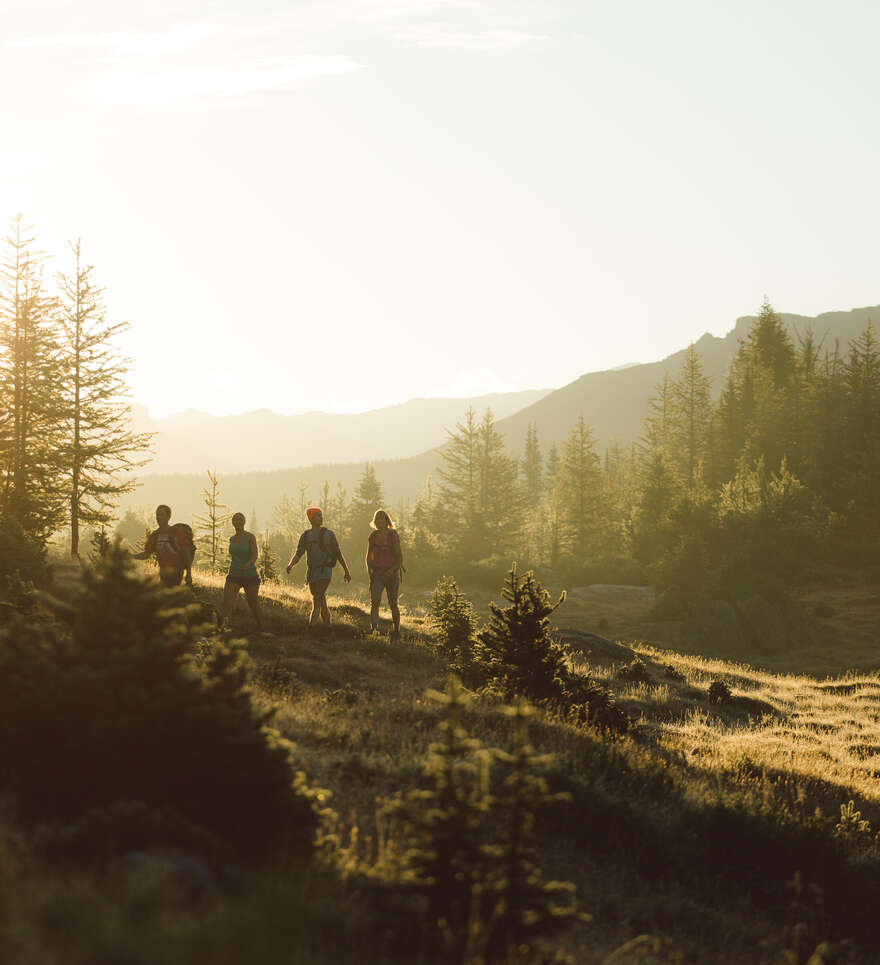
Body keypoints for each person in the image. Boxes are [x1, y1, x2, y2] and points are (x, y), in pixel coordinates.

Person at [286, 507, 351, 629]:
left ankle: (311, 628)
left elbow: (338, 553)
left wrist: (346, 571)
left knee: (317, 599)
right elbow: (299, 553)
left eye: (321, 515)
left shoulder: (329, 534)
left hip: (325, 571)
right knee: (322, 602)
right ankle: (329, 629)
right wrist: (290, 565)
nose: (321, 518)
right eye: (318, 516)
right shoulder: (305, 536)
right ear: (311, 519)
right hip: (312, 573)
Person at [221, 512, 270, 635]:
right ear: (233, 522)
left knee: (253, 603)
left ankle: (263, 629)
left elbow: (255, 554)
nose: (237, 521)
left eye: (240, 519)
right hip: (233, 574)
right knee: (228, 602)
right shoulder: (232, 539)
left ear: (244, 522)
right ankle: (223, 628)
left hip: (249, 575)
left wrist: (248, 564)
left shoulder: (249, 537)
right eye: (235, 519)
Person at [132, 504, 194, 588]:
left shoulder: (177, 532)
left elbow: (185, 552)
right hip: (163, 572)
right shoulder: (155, 535)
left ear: (168, 517)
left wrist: (189, 573)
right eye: (157, 515)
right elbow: (146, 554)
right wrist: (131, 556)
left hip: (177, 571)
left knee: (169, 594)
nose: (158, 517)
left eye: (161, 514)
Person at [366, 509, 403, 638]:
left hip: (392, 575)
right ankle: (374, 629)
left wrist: (391, 571)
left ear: (387, 520)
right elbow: (368, 556)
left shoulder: (393, 535)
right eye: (378, 519)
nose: (380, 521)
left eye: (383, 518)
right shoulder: (373, 536)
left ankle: (397, 630)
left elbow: (400, 558)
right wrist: (370, 573)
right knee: (375, 601)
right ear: (375, 522)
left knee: (393, 603)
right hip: (377, 574)